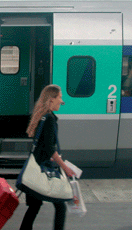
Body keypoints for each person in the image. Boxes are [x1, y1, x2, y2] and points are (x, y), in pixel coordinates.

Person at [19, 84, 75, 230]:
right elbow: (50, 148)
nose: (61, 101)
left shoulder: (42, 117)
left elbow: (43, 144)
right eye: (60, 97)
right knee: (60, 206)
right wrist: (65, 167)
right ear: (51, 99)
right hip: (42, 169)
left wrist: (50, 155)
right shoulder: (49, 119)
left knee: (34, 206)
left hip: (36, 166)